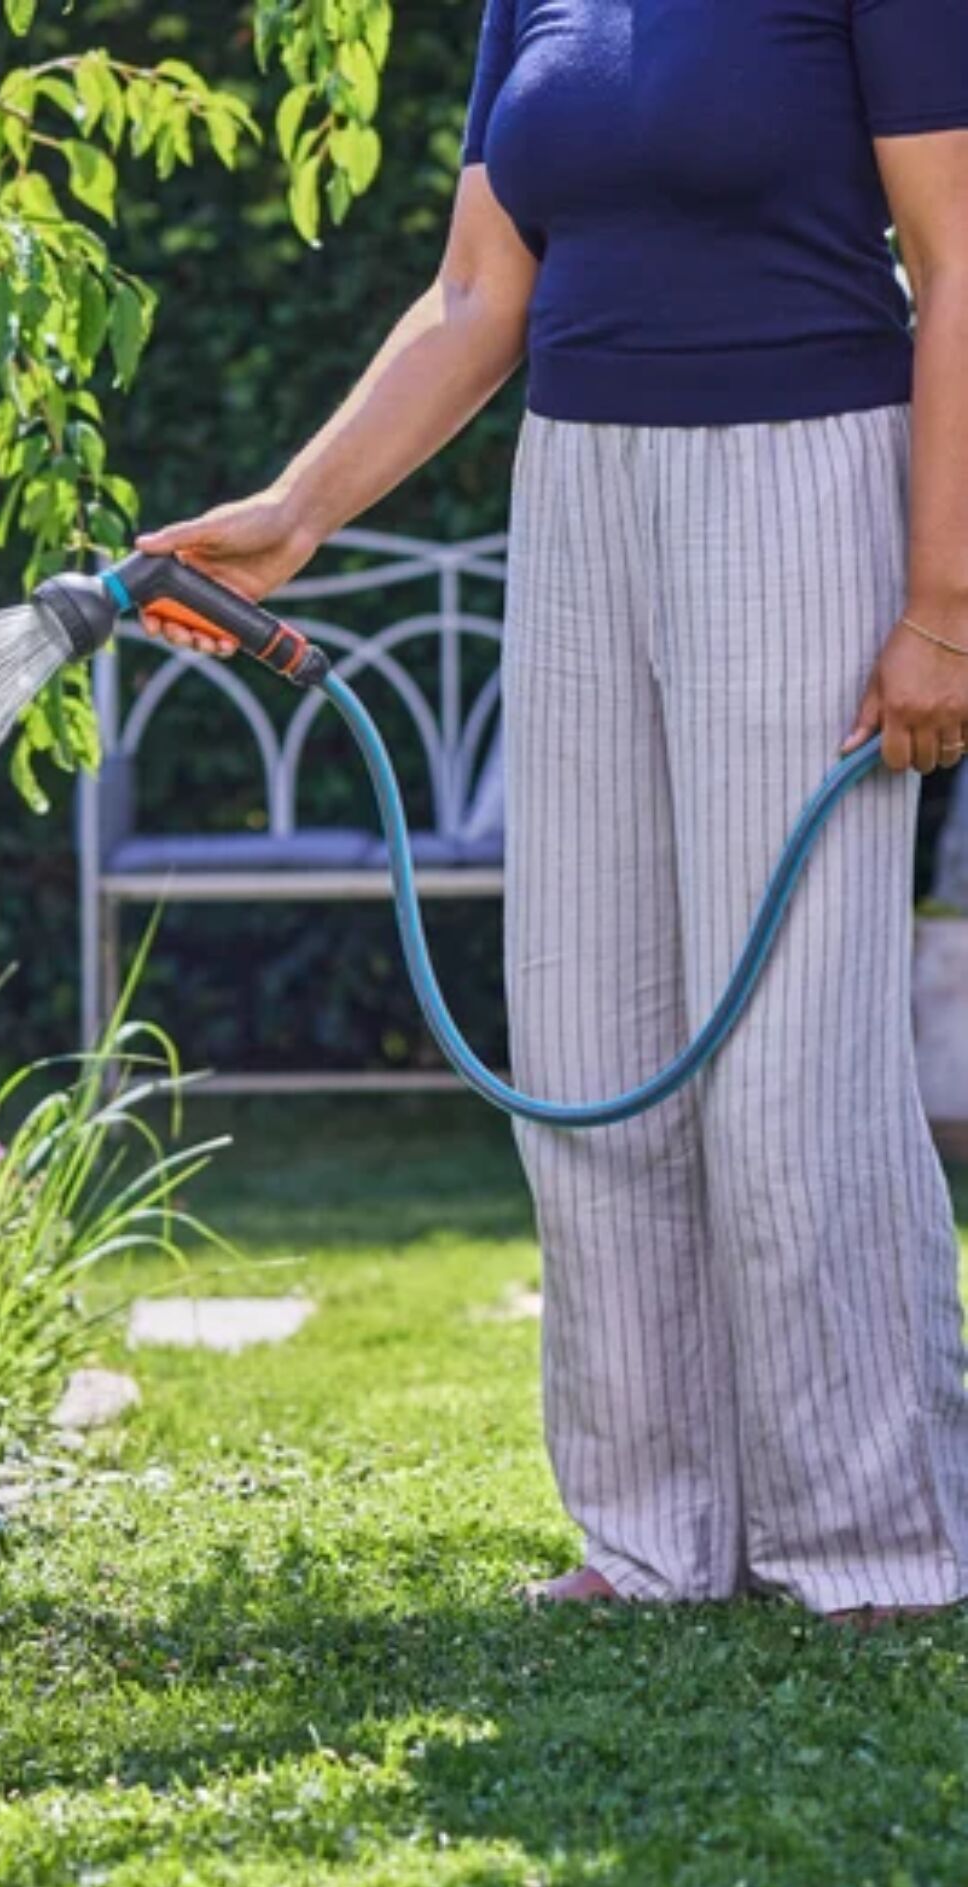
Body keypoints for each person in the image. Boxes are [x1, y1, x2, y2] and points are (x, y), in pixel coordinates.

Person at [136, 0, 968, 1623]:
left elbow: (957, 266)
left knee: (788, 1064)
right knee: (588, 1040)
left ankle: (873, 1535)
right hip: (579, 494)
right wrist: (296, 512)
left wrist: (945, 603)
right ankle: (657, 1534)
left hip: (803, 479)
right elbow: (476, 292)